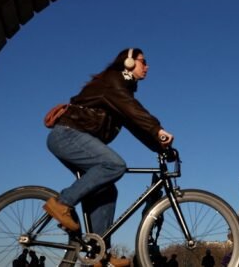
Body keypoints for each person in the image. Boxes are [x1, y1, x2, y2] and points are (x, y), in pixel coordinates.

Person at [43, 48, 174, 267]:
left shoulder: (123, 92)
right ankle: (61, 203)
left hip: (74, 137)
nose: (147, 66)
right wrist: (158, 129)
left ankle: (99, 253)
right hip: (67, 134)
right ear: (129, 62)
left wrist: (160, 147)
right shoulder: (113, 82)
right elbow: (134, 111)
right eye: (144, 61)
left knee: (107, 189)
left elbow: (134, 124)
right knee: (114, 164)